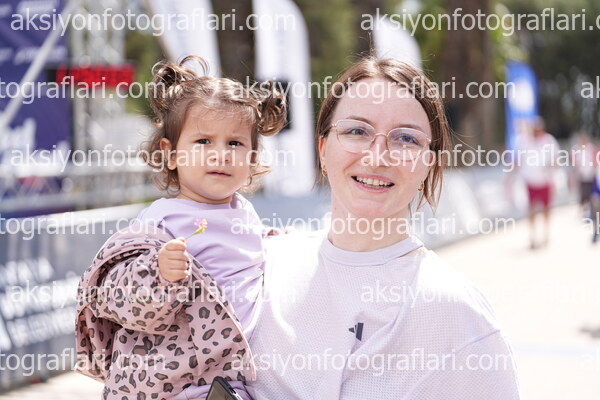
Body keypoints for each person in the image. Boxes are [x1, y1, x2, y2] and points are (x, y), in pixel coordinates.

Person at [246, 57, 520, 399]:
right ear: (323, 149)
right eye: (356, 131)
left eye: (405, 139)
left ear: (428, 164)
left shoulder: (455, 312)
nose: (378, 156)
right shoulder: (265, 265)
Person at [74, 56, 286, 400]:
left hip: (229, 382)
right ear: (171, 153)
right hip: (169, 382)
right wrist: (156, 273)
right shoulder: (161, 219)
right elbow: (113, 293)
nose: (221, 154)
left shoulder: (245, 214)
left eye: (235, 143)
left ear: (251, 160)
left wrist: (279, 244)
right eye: (203, 141)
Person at [516, 117, 561, 249]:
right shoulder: (525, 140)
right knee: (532, 209)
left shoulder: (549, 140)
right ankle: (533, 236)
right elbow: (518, 159)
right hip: (530, 181)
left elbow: (557, 159)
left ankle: (545, 232)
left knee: (546, 209)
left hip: (545, 181)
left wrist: (550, 167)